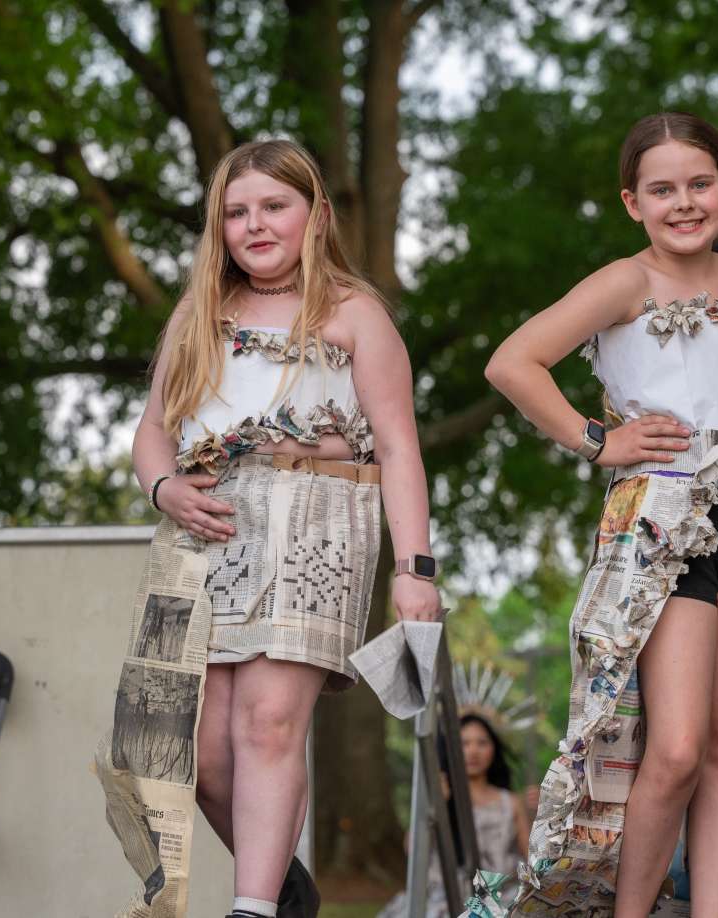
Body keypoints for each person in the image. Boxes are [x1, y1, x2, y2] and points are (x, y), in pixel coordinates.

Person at [479, 112, 718, 917]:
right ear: (632, 201)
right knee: (672, 750)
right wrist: (599, 441)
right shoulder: (624, 283)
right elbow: (513, 363)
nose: (684, 203)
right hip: (664, 526)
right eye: (662, 189)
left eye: (699, 184)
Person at [99, 139, 442, 918]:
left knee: (269, 721)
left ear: (316, 215)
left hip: (317, 519)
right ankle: (287, 895)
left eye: (273, 206)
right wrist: (163, 488)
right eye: (235, 211)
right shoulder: (199, 313)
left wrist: (415, 570)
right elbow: (152, 429)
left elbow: (398, 446)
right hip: (208, 532)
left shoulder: (355, 312)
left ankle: (250, 909)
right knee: (203, 756)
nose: (254, 224)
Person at [379, 713, 531, 918]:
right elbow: (413, 850)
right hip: (442, 900)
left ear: (493, 749)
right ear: (450, 748)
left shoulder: (510, 802)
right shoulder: (439, 795)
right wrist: (435, 805)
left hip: (500, 898)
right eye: (464, 743)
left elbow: (531, 858)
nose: (473, 751)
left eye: (482, 743)